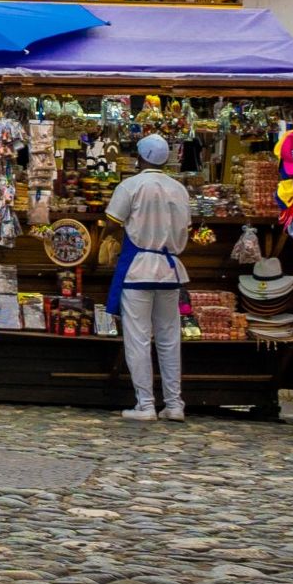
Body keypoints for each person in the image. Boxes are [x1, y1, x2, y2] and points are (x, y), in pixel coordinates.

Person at [104, 131, 191, 421]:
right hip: (169, 270)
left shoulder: (131, 186)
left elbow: (113, 222)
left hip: (138, 269)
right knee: (169, 338)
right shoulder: (179, 190)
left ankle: (145, 404)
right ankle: (174, 404)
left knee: (138, 339)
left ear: (140, 158)